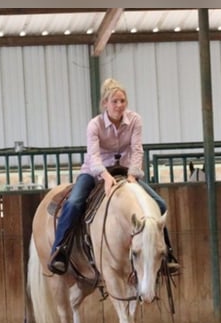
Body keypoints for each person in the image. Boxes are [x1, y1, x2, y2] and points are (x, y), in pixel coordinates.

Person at [48, 78, 179, 275]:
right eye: (115, 101)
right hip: (94, 172)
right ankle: (60, 249)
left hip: (126, 172)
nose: (119, 106)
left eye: (122, 101)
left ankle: (166, 253)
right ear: (105, 104)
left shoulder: (135, 120)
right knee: (74, 202)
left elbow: (137, 149)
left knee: (160, 204)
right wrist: (105, 176)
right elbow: (93, 155)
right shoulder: (95, 125)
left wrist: (134, 174)